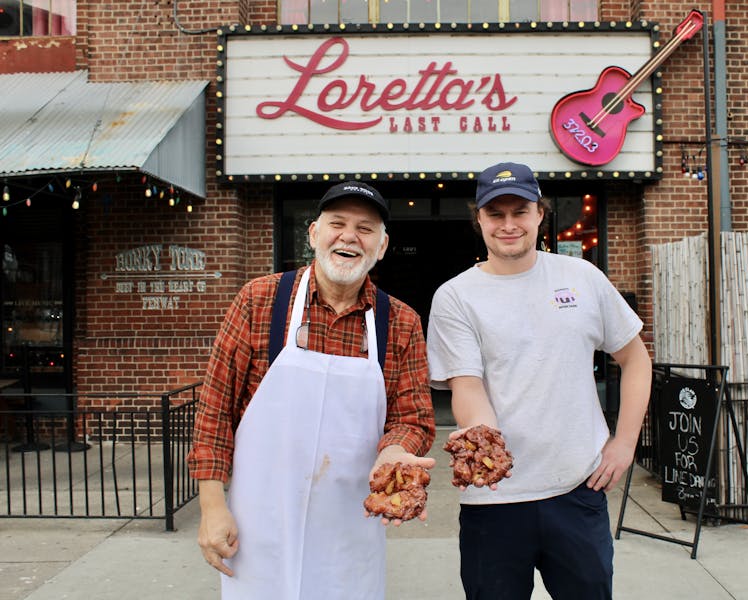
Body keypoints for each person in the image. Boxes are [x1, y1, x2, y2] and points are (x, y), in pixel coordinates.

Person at [188, 181, 436, 599]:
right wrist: (212, 506)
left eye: (365, 228)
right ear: (313, 233)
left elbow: (413, 417)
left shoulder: (401, 322)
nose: (349, 237)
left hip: (349, 528)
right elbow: (215, 411)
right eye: (337, 223)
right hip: (259, 525)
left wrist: (396, 449)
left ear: (382, 246)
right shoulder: (259, 300)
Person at [427, 162, 652, 599]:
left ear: (539, 214)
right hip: (492, 503)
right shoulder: (456, 296)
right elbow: (467, 386)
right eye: (496, 214)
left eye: (520, 212)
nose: (508, 225)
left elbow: (636, 359)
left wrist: (625, 443)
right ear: (479, 218)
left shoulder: (582, 278)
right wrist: (486, 447)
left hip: (577, 490)